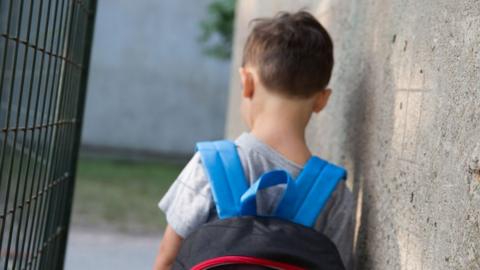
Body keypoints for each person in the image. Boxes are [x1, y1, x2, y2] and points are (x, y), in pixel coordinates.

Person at [153, 11, 355, 270]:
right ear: (321, 100)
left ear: (246, 81)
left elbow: (167, 257)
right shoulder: (335, 196)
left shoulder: (210, 166)